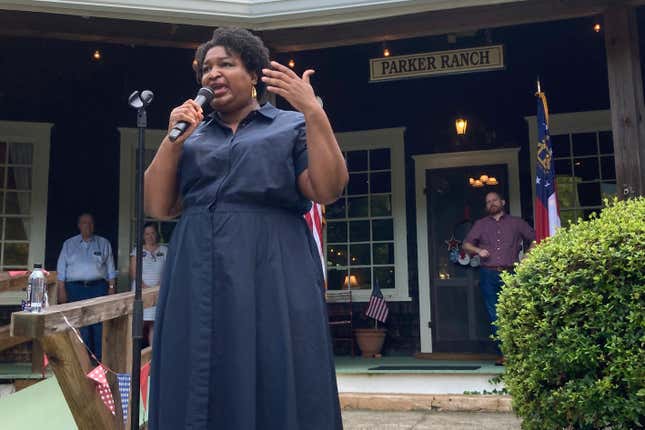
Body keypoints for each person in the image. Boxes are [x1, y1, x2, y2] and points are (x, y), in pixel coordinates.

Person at [144, 27, 348, 429]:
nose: (212, 74)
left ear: (253, 74)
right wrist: (173, 140)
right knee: (200, 360)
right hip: (197, 264)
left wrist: (313, 112)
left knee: (273, 357)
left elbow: (328, 188)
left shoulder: (289, 126)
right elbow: (158, 205)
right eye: (206, 68)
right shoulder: (192, 136)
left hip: (272, 263)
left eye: (226, 64)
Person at [463, 192, 535, 364]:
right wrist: (478, 251)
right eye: (488, 202)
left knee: (515, 311)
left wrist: (527, 256)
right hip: (488, 273)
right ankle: (505, 353)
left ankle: (520, 352)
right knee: (494, 313)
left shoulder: (517, 223)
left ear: (503, 202)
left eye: (494, 200)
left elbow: (536, 238)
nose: (491, 203)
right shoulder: (481, 224)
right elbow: (466, 244)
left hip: (511, 273)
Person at [56, 213, 116, 361]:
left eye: (90, 223)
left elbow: (110, 268)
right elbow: (61, 269)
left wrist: (112, 287)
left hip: (98, 288)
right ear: (79, 225)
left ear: (93, 225)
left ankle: (100, 360)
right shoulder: (69, 244)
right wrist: (61, 290)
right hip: (75, 288)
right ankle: (83, 359)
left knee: (99, 324)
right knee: (79, 323)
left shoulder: (103, 243)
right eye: (84, 223)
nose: (87, 226)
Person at [129, 222, 167, 346]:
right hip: (141, 292)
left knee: (154, 324)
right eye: (147, 234)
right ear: (143, 236)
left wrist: (157, 287)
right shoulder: (137, 251)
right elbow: (134, 272)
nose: (150, 236)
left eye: (152, 233)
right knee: (139, 324)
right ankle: (135, 358)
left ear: (157, 234)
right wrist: (144, 287)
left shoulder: (165, 250)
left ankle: (151, 360)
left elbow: (168, 271)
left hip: (158, 292)